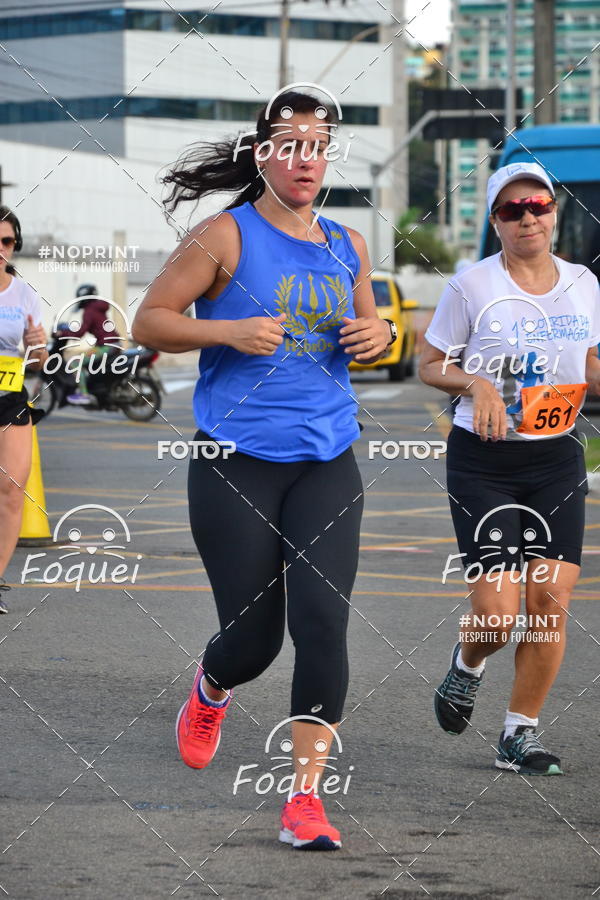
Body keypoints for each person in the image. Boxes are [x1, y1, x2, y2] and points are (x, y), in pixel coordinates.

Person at [132, 90, 396, 848]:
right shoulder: (225, 235)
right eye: (290, 143)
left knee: (323, 624)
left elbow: (367, 327)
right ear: (264, 155)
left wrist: (376, 335)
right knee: (254, 642)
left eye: (318, 145)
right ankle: (212, 687)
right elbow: (149, 321)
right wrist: (229, 331)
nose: (306, 158)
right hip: (235, 464)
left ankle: (304, 800)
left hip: (326, 461)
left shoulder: (348, 244)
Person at [419, 161, 600, 776]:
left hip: (556, 458)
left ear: (555, 212)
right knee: (497, 618)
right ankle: (467, 664)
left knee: (550, 601)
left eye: (538, 206)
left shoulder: (584, 283)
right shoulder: (471, 286)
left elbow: (588, 363)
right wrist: (476, 384)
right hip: (485, 462)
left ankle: (518, 733)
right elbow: (430, 363)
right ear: (496, 221)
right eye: (512, 210)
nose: (528, 218)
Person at [0, 206, 48, 613]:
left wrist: (36, 346)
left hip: (9, 397)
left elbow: (38, 363)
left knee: (12, 491)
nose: (0, 249)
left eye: (7, 242)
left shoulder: (24, 294)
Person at [62, 284, 120, 405]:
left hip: (106, 347)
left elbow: (80, 332)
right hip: (113, 344)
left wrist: (62, 333)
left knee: (75, 363)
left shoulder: (89, 311)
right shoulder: (97, 307)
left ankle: (84, 394)